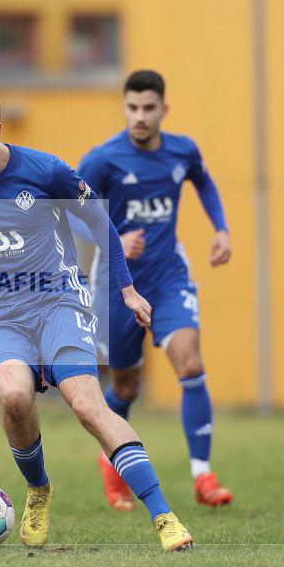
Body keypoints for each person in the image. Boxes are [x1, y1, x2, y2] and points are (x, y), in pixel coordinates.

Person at [0, 87, 193, 551]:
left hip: (57, 303)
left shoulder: (46, 170)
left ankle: (163, 515)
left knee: (88, 406)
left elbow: (100, 222)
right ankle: (39, 489)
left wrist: (128, 289)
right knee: (14, 396)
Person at [70, 69, 233, 511]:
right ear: (124, 108)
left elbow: (203, 181)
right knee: (126, 388)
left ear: (164, 109)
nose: (139, 116)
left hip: (168, 277)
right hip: (117, 286)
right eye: (132, 108)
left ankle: (203, 475)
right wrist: (113, 240)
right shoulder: (103, 159)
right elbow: (69, 213)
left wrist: (220, 228)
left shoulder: (183, 150)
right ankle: (111, 459)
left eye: (148, 108)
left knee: (191, 362)